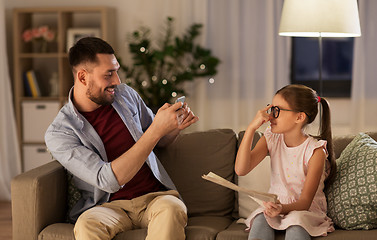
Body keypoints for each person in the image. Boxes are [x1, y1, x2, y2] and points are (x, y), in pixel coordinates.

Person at [45, 37, 198, 240]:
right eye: (109, 74)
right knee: (86, 225)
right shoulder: (60, 133)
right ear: (82, 78)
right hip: (107, 207)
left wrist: (172, 127)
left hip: (154, 199)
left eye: (116, 70)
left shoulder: (125, 95)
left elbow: (160, 141)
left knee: (173, 208)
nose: (117, 80)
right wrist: (155, 131)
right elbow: (106, 180)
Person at [235, 84, 336, 240]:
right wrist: (251, 128)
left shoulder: (316, 151)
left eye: (277, 111)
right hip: (274, 208)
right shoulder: (271, 138)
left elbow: (305, 202)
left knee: (297, 224)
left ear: (299, 117)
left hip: (304, 211)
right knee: (260, 220)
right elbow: (241, 169)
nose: (270, 116)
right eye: (271, 109)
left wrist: (281, 209)